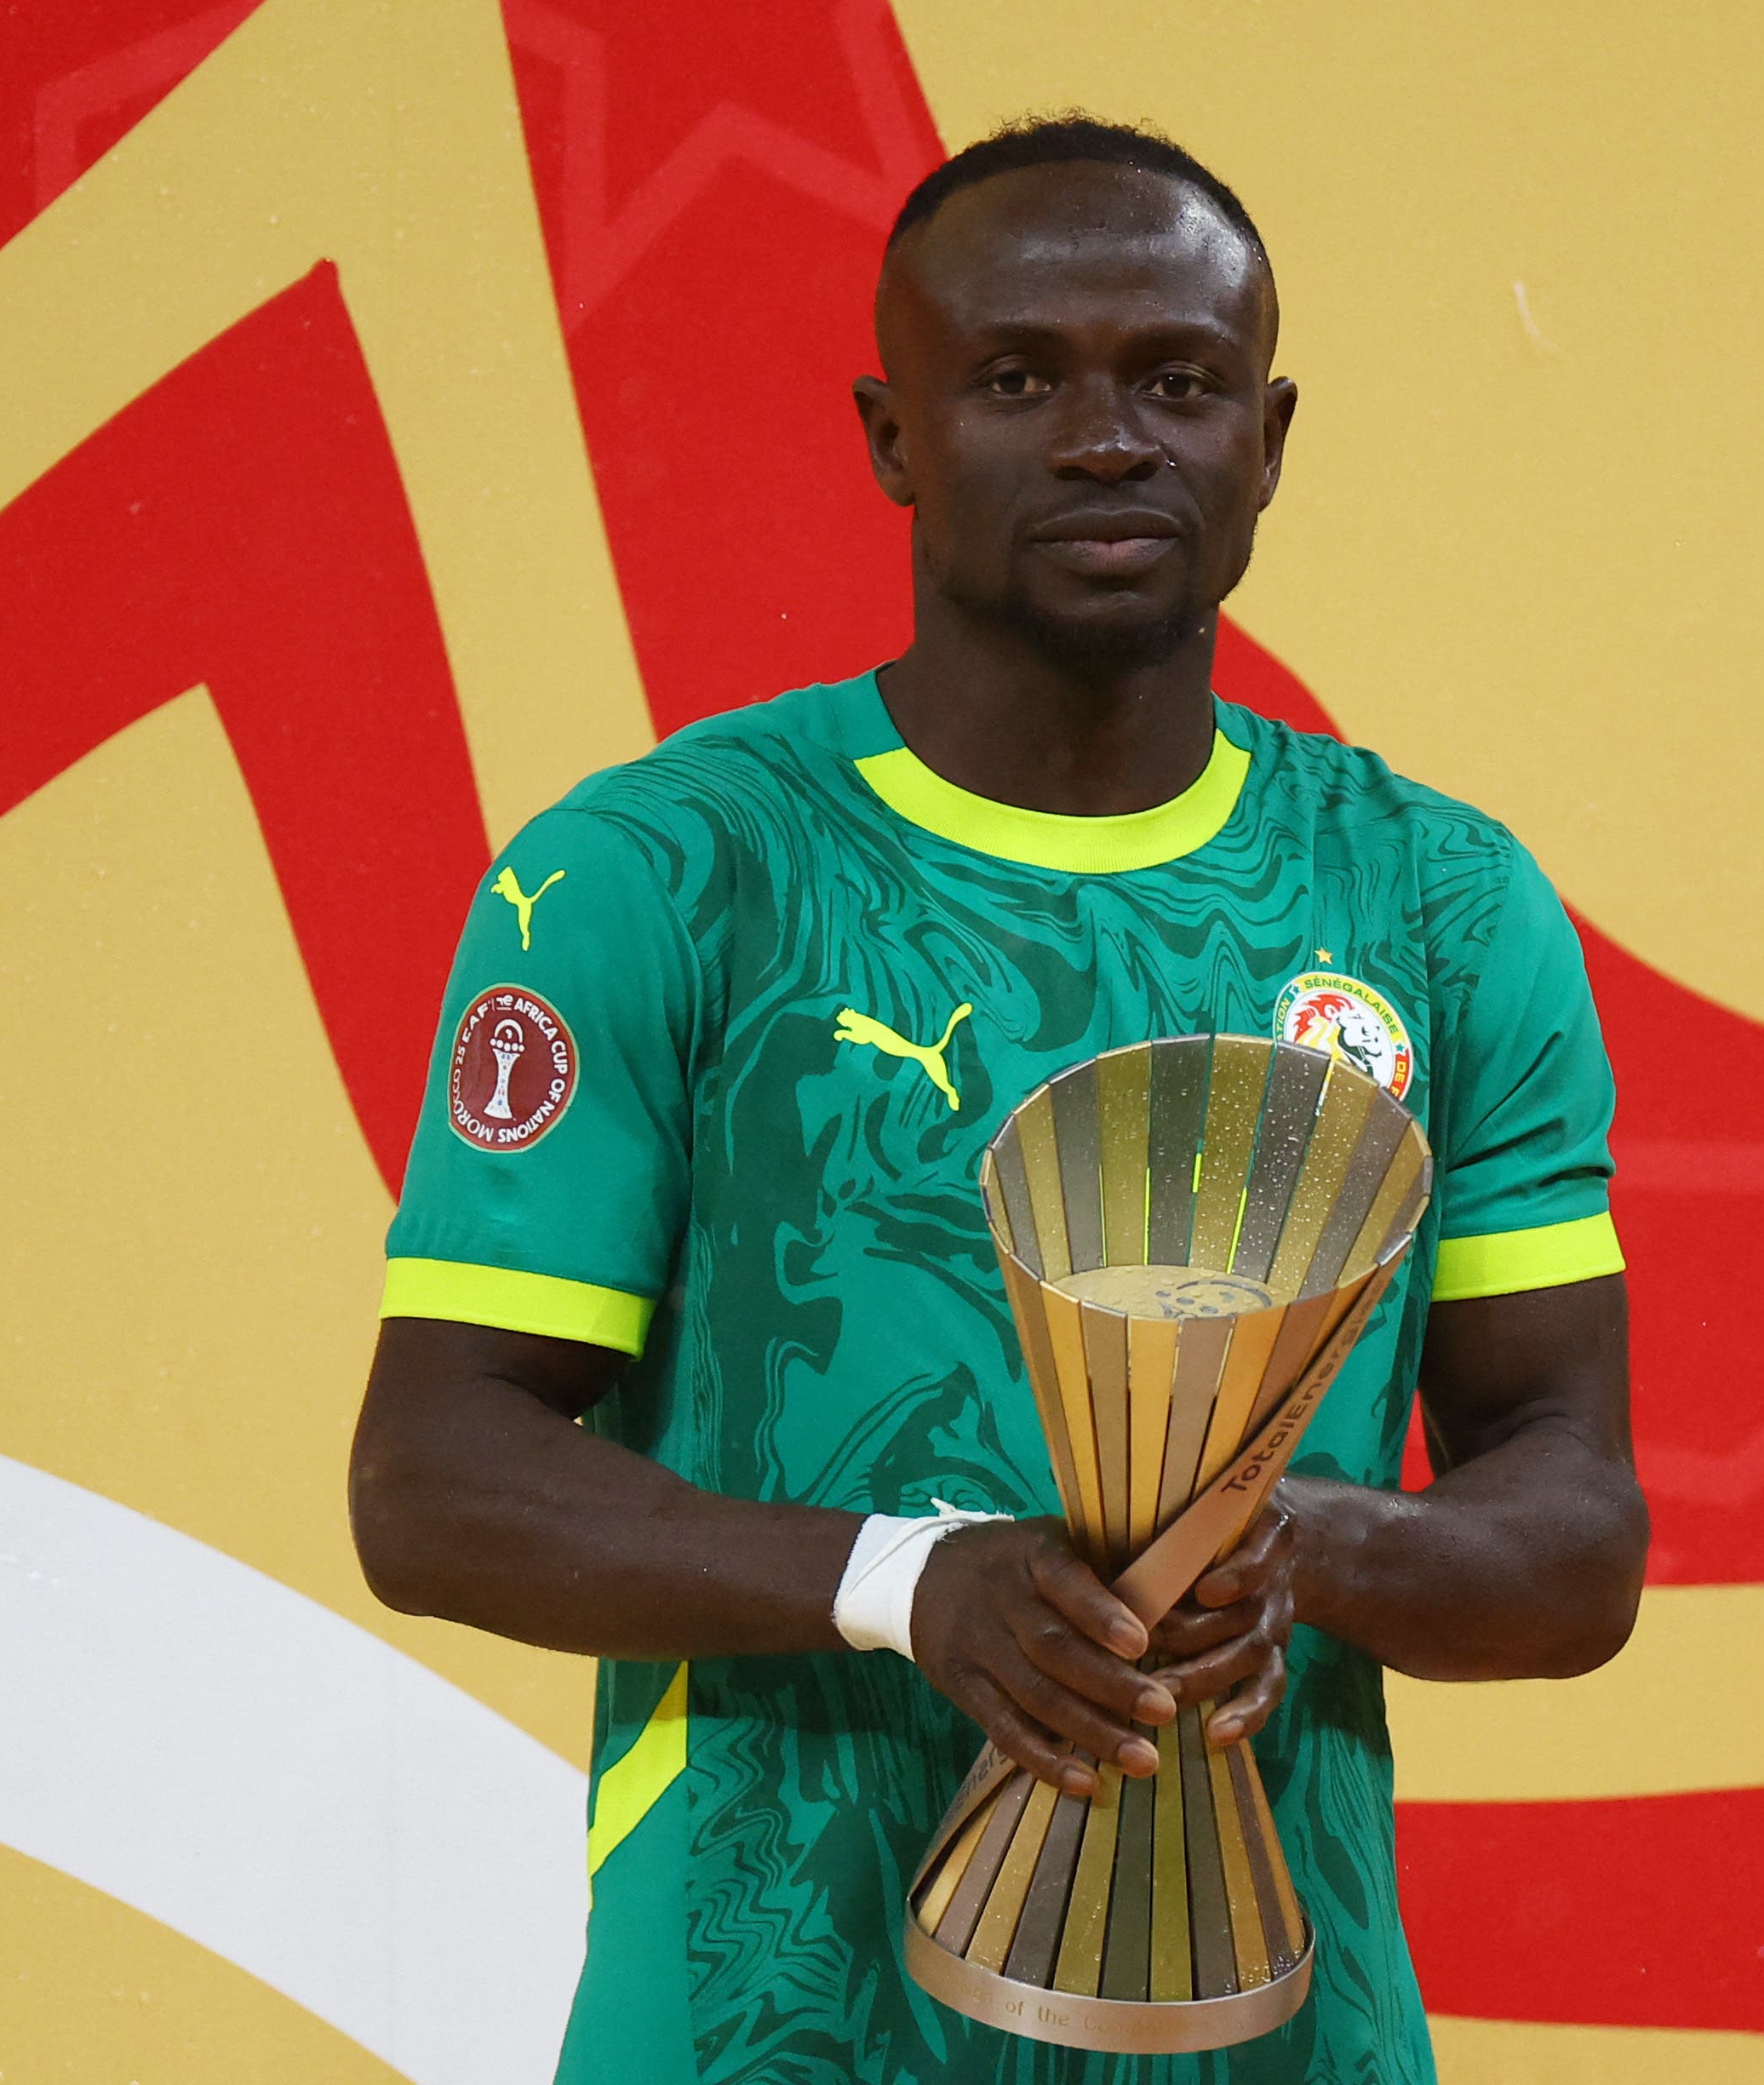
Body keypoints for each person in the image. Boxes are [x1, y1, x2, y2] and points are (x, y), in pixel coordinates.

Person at [350, 114, 1645, 2083]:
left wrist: (1299, 1548)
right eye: (1022, 380)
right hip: (754, 2033)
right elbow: (434, 1481)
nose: (1110, 440)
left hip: (1279, 2039)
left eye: (1179, 383)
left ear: (1269, 441)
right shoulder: (655, 873)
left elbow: (1574, 1527)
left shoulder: (1439, 903)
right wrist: (908, 1586)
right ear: (895, 436)